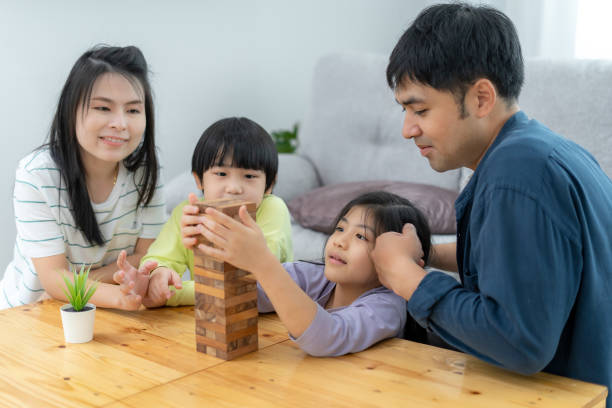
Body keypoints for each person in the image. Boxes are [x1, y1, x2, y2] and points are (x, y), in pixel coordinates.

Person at [373, 2, 612, 399]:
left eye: (420, 109)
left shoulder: (516, 176)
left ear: (481, 98)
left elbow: (519, 341)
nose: (407, 129)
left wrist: (409, 279)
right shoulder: (548, 152)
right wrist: (426, 254)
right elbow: (522, 264)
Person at [0, 45, 165, 310]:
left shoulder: (145, 173)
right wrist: (118, 296)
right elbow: (53, 279)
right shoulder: (37, 175)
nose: (120, 123)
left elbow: (148, 256)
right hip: (28, 317)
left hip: (103, 317)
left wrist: (89, 282)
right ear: (71, 110)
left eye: (133, 110)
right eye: (103, 108)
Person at [196, 191, 429, 356]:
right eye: (340, 228)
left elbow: (327, 336)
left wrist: (263, 263)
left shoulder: (388, 307)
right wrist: (208, 237)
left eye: (361, 237)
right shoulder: (315, 275)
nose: (340, 241)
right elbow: (248, 296)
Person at [117, 117, 293, 307]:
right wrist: (158, 276)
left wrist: (175, 294)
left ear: (269, 184)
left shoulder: (273, 209)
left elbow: (248, 282)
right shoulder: (188, 213)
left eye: (249, 176)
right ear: (199, 180)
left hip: (270, 319)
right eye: (221, 174)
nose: (234, 188)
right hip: (206, 319)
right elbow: (160, 257)